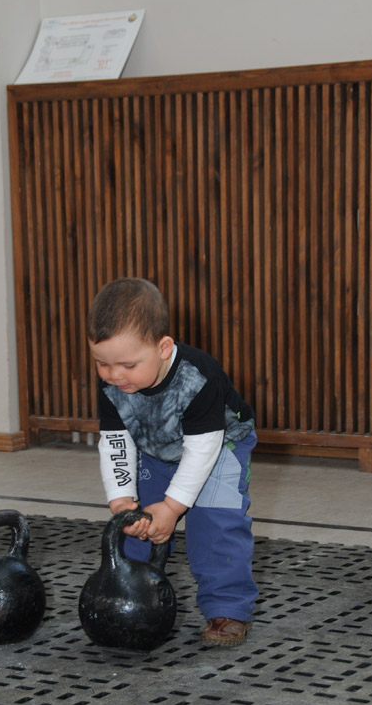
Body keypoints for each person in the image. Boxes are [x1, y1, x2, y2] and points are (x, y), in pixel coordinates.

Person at [87, 277, 258, 648]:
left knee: (215, 525)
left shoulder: (197, 377)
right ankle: (133, 594)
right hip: (156, 448)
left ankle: (227, 607)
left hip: (219, 448)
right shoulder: (113, 382)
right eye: (102, 364)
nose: (114, 375)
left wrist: (173, 506)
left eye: (128, 365)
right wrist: (121, 499)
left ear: (163, 348)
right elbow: (115, 441)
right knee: (137, 525)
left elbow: (203, 449)